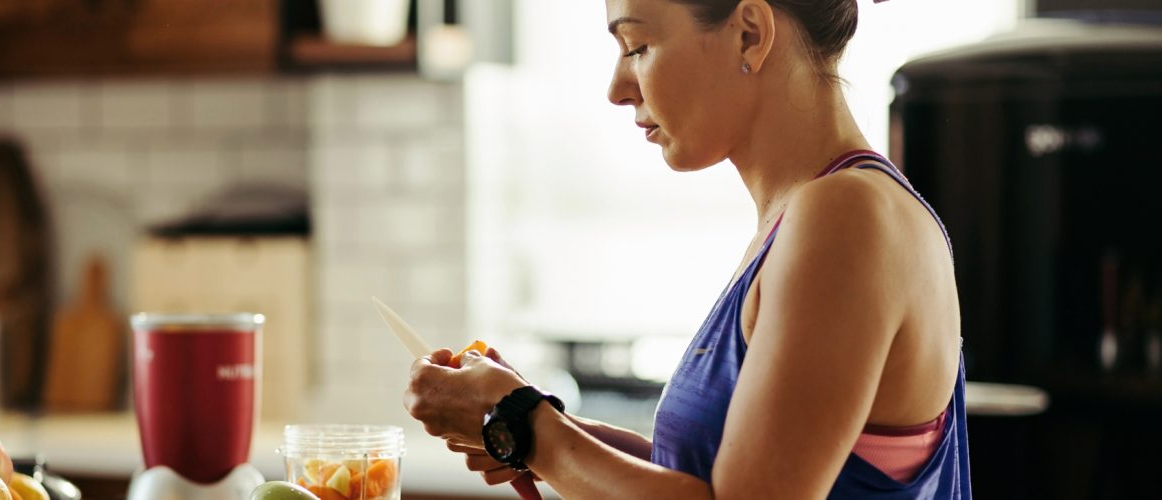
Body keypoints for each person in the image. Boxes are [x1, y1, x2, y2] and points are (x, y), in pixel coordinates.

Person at [404, 0, 970, 498]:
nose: (617, 88)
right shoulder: (809, 216)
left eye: (637, 45)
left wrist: (520, 423)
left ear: (749, 32)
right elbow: (710, 479)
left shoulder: (846, 217)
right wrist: (534, 422)